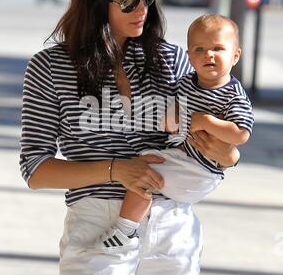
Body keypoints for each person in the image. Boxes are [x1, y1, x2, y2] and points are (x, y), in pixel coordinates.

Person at [19, 0, 240, 275]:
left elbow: (224, 136)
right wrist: (116, 169)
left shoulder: (175, 61)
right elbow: (35, 169)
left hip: (169, 224)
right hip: (95, 224)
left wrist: (228, 155)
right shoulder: (50, 67)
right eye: (128, 1)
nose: (143, 10)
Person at [96, 14, 254, 250]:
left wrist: (206, 122)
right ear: (189, 56)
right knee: (143, 169)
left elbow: (241, 134)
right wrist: (172, 119)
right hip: (183, 158)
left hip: (202, 170)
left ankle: (124, 231)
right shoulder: (186, 83)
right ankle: (130, 228)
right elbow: (174, 112)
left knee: (143, 175)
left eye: (218, 48)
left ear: (235, 55)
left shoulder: (233, 94)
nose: (208, 55)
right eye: (199, 49)